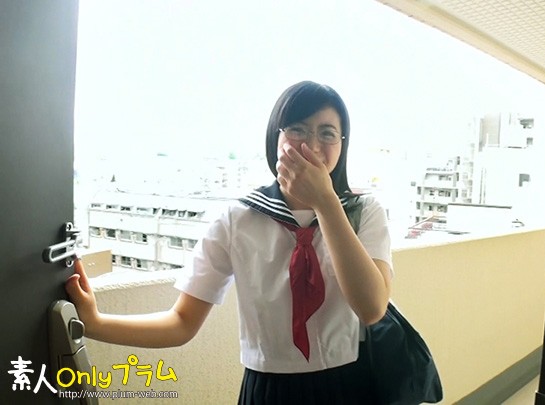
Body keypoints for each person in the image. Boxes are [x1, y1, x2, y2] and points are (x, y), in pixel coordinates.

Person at [66, 80, 394, 404]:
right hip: (268, 390)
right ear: (275, 137)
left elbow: (372, 309)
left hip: (351, 384)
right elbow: (181, 322)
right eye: (297, 129)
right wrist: (95, 323)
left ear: (342, 144)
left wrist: (325, 202)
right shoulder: (238, 219)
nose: (312, 144)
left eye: (327, 133)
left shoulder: (364, 212)